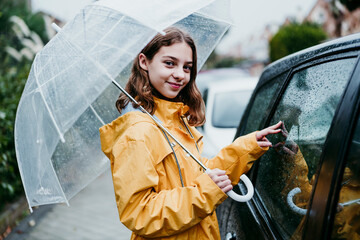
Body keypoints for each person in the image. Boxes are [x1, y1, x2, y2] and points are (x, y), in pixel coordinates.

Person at [99, 27, 282, 240]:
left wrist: (248, 147)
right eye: (170, 63)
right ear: (144, 62)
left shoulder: (177, 120)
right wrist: (205, 192)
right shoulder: (137, 132)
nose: (180, 74)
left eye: (187, 67)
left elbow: (201, 175)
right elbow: (139, 213)